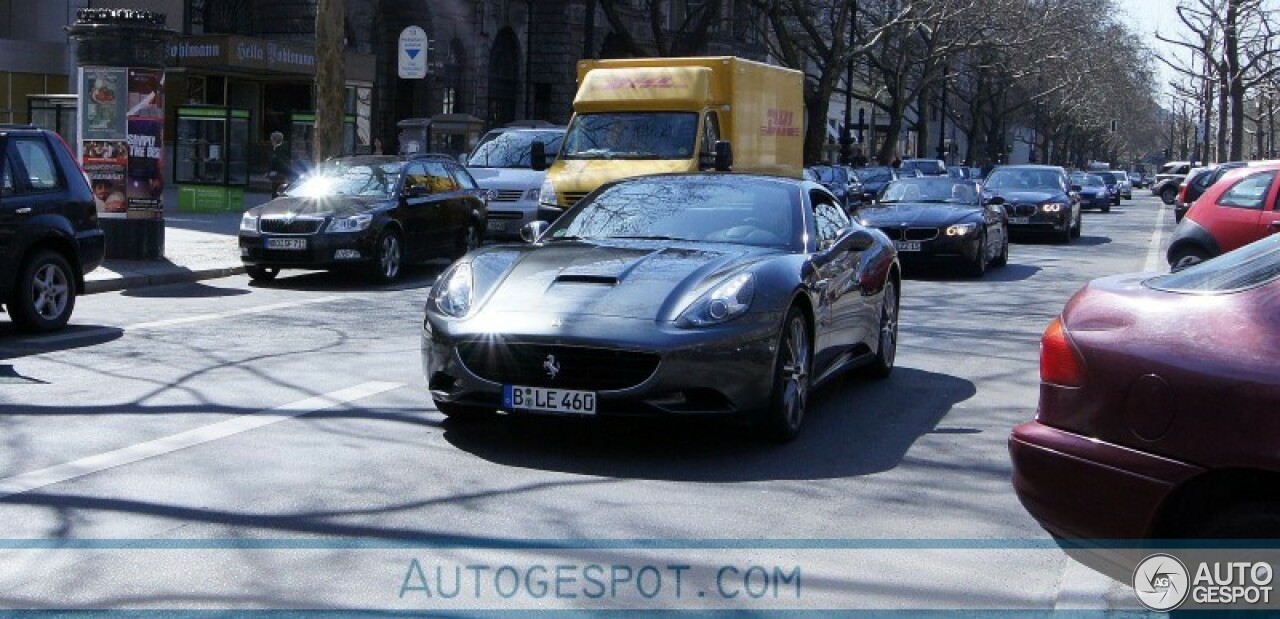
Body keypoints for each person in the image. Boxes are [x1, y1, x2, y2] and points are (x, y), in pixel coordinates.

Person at [268, 131, 292, 198]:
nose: (271, 142)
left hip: (279, 175)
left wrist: (270, 172)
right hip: (280, 175)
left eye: (272, 140)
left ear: (274, 140)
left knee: (276, 193)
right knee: (277, 191)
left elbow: (277, 162)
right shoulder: (279, 149)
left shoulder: (279, 150)